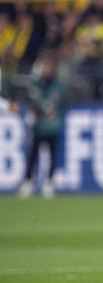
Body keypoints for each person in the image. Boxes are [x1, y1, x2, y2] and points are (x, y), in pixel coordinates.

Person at [17, 51, 65, 199]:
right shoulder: (36, 85)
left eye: (49, 66)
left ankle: (49, 182)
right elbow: (31, 100)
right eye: (45, 66)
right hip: (39, 126)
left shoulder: (58, 85)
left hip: (52, 126)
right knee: (33, 155)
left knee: (51, 155)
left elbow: (59, 103)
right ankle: (28, 182)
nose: (46, 69)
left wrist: (46, 108)